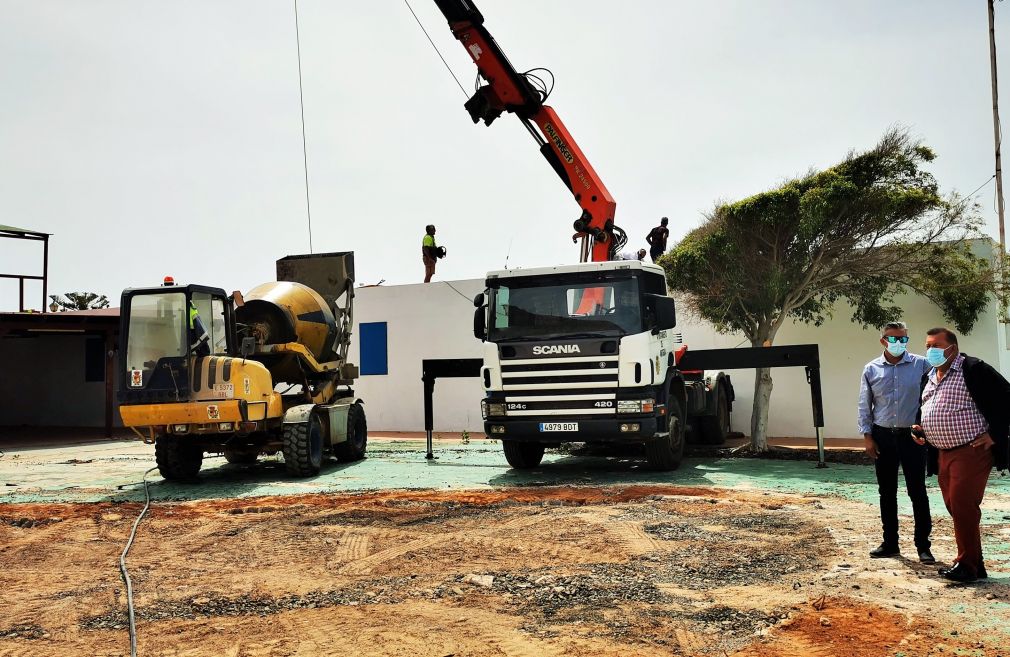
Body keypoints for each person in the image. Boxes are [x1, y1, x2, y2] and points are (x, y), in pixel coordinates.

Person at [912, 327, 1010, 583]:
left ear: (952, 348)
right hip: (942, 452)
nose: (930, 351)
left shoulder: (974, 370)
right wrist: (920, 427)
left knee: (962, 503)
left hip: (972, 450)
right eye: (927, 345)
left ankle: (966, 565)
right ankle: (976, 563)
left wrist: (996, 435)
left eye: (936, 346)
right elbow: (925, 408)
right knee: (954, 506)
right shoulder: (930, 375)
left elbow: (1007, 398)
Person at [857, 321, 933, 563]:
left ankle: (923, 546)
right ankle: (890, 543)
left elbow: (933, 395)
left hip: (913, 436)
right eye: (894, 339)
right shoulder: (871, 369)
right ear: (883, 341)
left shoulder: (922, 365)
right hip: (883, 436)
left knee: (917, 491)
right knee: (886, 491)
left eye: (903, 339)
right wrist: (867, 437)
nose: (899, 343)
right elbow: (864, 404)